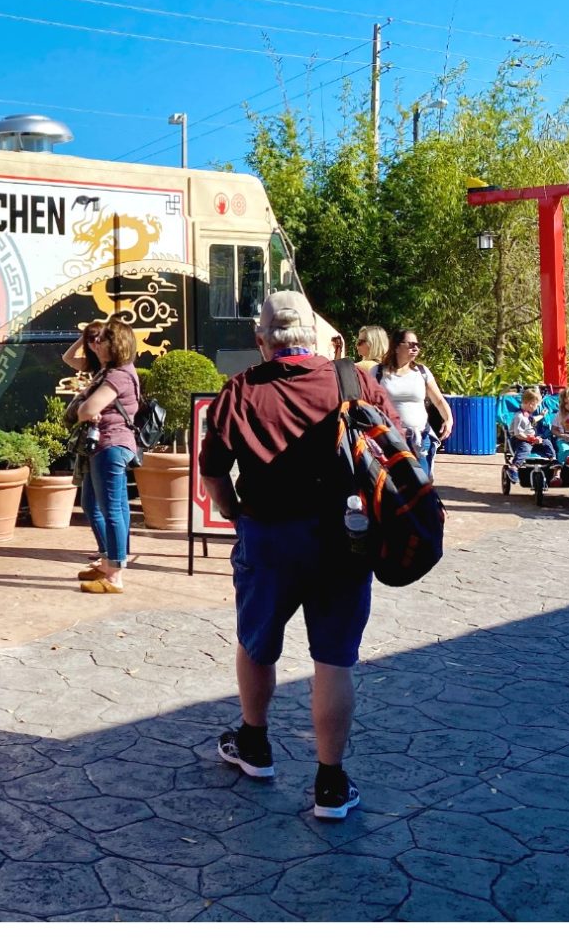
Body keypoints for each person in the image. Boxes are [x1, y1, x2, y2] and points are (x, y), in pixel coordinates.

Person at [201, 290, 403, 821]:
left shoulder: (239, 392)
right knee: (333, 662)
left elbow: (215, 475)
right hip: (344, 537)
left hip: (268, 539)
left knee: (256, 644)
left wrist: (235, 512)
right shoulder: (352, 380)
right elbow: (393, 446)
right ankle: (331, 785)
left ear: (261, 340)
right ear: (313, 338)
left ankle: (255, 745)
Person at [71, 319, 142, 594]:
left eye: (104, 340)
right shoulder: (115, 371)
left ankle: (114, 574)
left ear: (117, 345)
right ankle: (108, 560)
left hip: (110, 446)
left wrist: (85, 409)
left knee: (111, 510)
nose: (97, 343)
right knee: (93, 503)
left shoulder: (118, 376)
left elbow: (87, 410)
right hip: (106, 446)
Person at [376, 330, 453, 479]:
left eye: (418, 345)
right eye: (411, 345)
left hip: (420, 437)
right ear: (397, 347)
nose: (416, 348)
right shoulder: (378, 372)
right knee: (395, 483)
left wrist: (448, 419)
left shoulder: (422, 372)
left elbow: (438, 400)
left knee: (422, 482)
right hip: (390, 439)